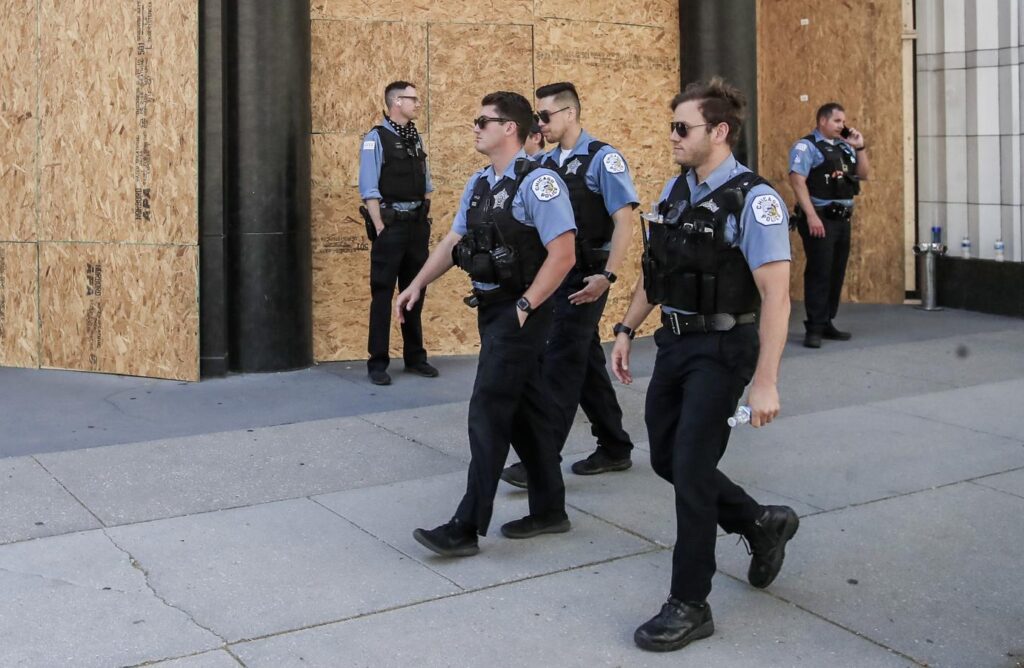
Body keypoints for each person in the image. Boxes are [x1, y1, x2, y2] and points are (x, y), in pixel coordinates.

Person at [610, 78, 798, 652]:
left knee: (691, 470)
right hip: (674, 344)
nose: (672, 136)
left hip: (723, 349)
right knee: (666, 459)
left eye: (681, 127)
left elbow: (777, 296)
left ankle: (690, 602)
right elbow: (658, 273)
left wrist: (765, 381)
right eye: (672, 126)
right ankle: (759, 522)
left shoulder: (754, 200)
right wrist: (626, 329)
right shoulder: (676, 190)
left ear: (718, 131)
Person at [395, 91, 577, 557]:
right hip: (493, 308)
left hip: (520, 312)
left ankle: (466, 526)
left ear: (509, 128)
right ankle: (550, 509)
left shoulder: (539, 183)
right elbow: (453, 240)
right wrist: (417, 284)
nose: (475, 128)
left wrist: (525, 306)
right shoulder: (479, 183)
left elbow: (563, 255)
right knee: (525, 412)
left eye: (483, 121)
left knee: (488, 412)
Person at [500, 82, 637, 488]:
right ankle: (614, 445)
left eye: (545, 116)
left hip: (588, 277)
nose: (539, 124)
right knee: (584, 358)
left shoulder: (603, 159)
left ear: (570, 113)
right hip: (559, 275)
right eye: (536, 117)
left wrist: (607, 276)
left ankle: (540, 461)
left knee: (560, 362)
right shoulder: (548, 162)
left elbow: (625, 220)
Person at [358, 80, 440, 385]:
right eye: (412, 99)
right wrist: (380, 227)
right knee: (382, 294)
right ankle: (377, 362)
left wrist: (424, 216)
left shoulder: (415, 137)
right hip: (391, 228)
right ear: (396, 102)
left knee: (415, 291)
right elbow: (369, 189)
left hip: (416, 227)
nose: (417, 103)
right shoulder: (376, 138)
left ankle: (415, 357)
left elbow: (427, 183)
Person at [788, 102, 871, 348]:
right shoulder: (806, 146)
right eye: (837, 121)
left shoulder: (845, 147)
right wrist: (811, 216)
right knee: (820, 272)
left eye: (843, 121)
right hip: (820, 217)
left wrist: (860, 147)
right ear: (822, 121)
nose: (842, 126)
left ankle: (826, 322)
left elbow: (863, 174)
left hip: (842, 218)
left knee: (836, 271)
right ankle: (814, 327)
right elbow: (797, 181)